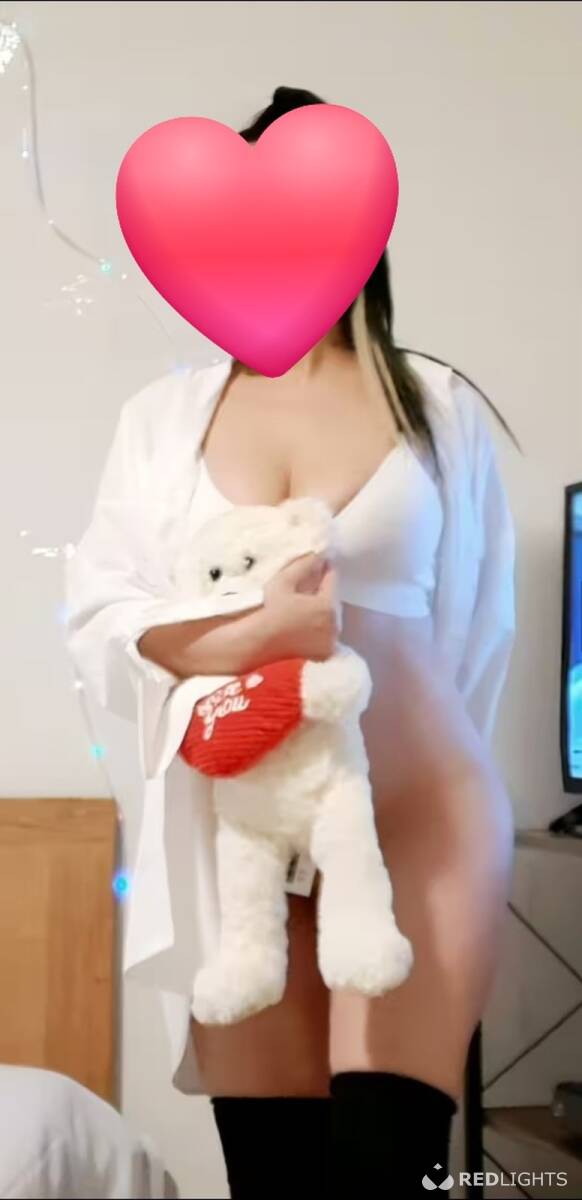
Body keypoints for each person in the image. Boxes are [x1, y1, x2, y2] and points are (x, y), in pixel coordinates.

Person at [64, 86, 516, 1198]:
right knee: (274, 1181)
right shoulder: (163, 420)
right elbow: (102, 613)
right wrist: (256, 634)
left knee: (379, 1172)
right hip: (242, 834)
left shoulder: (439, 406)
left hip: (420, 819)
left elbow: (478, 629)